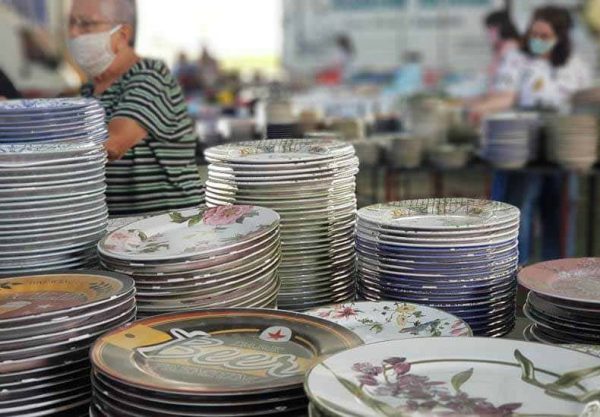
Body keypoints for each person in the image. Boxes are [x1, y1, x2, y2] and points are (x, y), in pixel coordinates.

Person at [68, 0, 203, 216]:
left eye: (86, 24)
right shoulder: (87, 92)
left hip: (167, 226)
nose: (74, 33)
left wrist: (33, 151)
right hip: (116, 227)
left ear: (122, 35)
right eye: (71, 23)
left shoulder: (150, 76)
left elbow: (113, 144)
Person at [467, 10, 525, 121]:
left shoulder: (512, 56)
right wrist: (472, 103)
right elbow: (496, 91)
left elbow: (508, 98)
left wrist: (478, 108)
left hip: (509, 119)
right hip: (498, 114)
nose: (488, 34)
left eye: (490, 29)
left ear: (500, 28)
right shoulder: (501, 54)